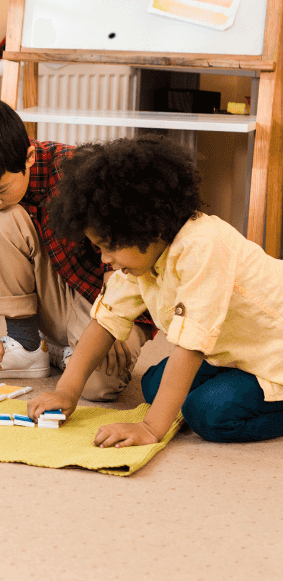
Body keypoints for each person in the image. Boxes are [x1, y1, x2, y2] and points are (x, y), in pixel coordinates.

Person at [27, 136, 283, 446]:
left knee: (209, 414)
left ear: (147, 228)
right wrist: (66, 391)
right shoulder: (143, 257)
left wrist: (149, 428)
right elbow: (105, 321)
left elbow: (190, 348)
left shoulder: (204, 247)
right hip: (238, 353)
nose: (105, 259)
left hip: (274, 358)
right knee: (153, 384)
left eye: (109, 247)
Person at [0, 98, 153, 402]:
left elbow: (117, 264)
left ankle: (58, 352)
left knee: (98, 386)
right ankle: (26, 345)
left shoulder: (76, 172)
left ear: (28, 157)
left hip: (106, 298)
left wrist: (112, 321)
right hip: (51, 299)